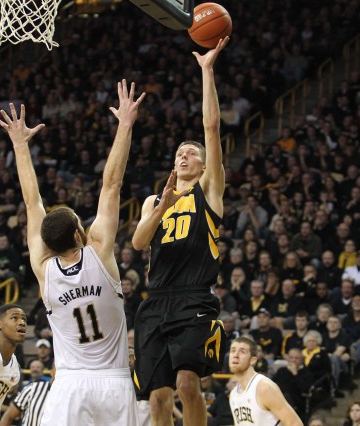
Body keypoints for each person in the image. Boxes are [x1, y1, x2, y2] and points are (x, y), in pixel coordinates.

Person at [0, 80, 145, 425]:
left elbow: (31, 201)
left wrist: (20, 145)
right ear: (80, 232)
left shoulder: (42, 268)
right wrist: (125, 125)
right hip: (114, 381)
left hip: (69, 384)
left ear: (46, 243)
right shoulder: (100, 253)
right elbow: (111, 185)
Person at [131, 37, 230, 426]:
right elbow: (139, 242)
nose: (182, 155)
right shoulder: (155, 201)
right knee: (156, 398)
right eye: (178, 153)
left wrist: (206, 72)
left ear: (204, 166)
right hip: (155, 300)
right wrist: (164, 207)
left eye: (190, 153)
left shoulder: (210, 191)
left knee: (188, 384)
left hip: (193, 298)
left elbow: (211, 126)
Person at [227, 337, 303, 425]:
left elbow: (295, 423)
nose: (235, 355)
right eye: (233, 351)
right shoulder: (233, 394)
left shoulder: (263, 387)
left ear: (252, 360)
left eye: (242, 351)